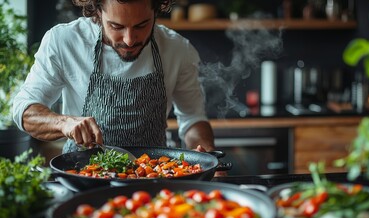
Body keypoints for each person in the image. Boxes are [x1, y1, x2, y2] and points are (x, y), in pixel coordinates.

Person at [12, 0, 216, 155]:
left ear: (157, 10)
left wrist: (206, 154)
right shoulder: (64, 41)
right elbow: (24, 109)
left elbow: (193, 119)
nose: (129, 40)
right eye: (117, 26)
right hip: (81, 176)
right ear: (97, 12)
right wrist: (64, 123)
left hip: (154, 178)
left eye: (141, 25)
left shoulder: (178, 49)